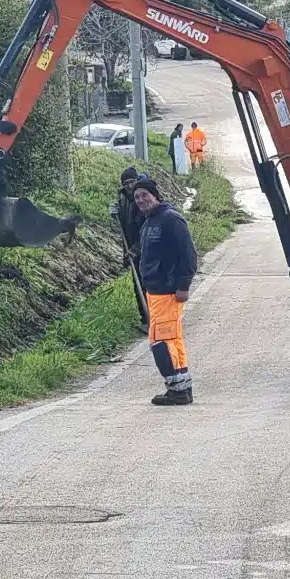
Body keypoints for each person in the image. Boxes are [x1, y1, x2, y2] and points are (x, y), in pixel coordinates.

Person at [132, 177, 198, 405]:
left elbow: (189, 256)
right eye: (137, 197)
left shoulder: (170, 220)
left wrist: (183, 286)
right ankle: (182, 387)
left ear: (155, 195)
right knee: (172, 339)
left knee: (160, 341)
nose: (141, 200)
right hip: (156, 291)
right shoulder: (149, 221)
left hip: (167, 292)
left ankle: (176, 390)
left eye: (144, 195)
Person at [111, 166, 150, 327]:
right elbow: (125, 223)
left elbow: (148, 228)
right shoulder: (124, 197)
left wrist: (136, 249)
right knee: (138, 282)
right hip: (131, 245)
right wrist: (116, 213)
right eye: (125, 183)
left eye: (131, 182)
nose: (128, 186)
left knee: (149, 282)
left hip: (147, 247)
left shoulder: (144, 196)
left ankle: (155, 317)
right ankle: (145, 318)